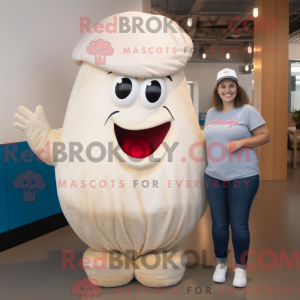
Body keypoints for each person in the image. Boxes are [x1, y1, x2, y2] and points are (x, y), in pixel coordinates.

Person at [203, 68, 271, 288]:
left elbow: (265, 135)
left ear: (237, 88)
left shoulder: (247, 111)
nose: (227, 90)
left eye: (231, 85)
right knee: (219, 224)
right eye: (222, 86)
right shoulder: (211, 113)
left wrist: (242, 143)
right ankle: (221, 264)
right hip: (214, 176)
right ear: (217, 89)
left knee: (239, 225)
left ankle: (241, 268)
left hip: (244, 176)